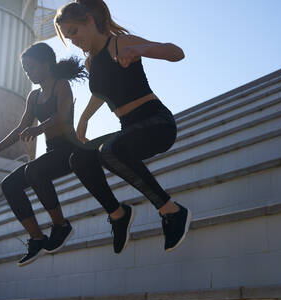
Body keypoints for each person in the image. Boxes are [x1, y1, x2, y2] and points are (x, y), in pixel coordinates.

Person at [54, 0, 191, 254]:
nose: (73, 40)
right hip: (129, 129)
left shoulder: (120, 42)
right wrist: (84, 119)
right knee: (80, 159)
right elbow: (101, 92)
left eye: (74, 31)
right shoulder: (91, 63)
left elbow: (176, 52)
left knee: (109, 150)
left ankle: (171, 211)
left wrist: (139, 48)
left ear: (90, 21)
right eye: (67, 37)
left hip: (157, 123)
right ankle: (118, 215)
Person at [0, 43, 87, 266]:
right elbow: (20, 130)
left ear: (46, 65)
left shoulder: (61, 85)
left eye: (31, 68)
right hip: (52, 152)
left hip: (70, 149)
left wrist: (39, 128)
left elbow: (63, 115)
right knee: (9, 184)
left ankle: (61, 225)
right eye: (25, 70)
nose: (29, 73)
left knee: (34, 170)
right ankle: (36, 238)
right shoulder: (33, 96)